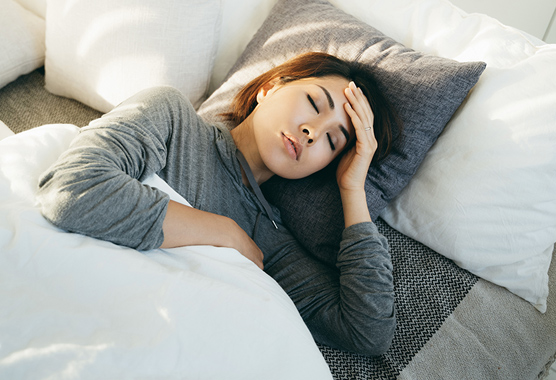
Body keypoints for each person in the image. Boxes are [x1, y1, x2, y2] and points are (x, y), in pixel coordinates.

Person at [37, 52, 400, 356]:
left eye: (333, 141)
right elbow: (71, 190)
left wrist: (352, 188)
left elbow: (367, 332)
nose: (313, 131)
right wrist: (223, 232)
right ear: (270, 88)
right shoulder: (174, 119)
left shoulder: (272, 244)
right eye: (313, 103)